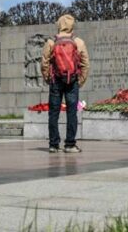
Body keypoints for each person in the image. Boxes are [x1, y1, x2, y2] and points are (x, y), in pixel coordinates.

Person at [41, 14, 90, 154]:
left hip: (56, 81)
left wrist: (47, 78)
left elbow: (44, 62)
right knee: (71, 113)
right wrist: (80, 81)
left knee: (53, 113)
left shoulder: (51, 41)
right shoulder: (78, 42)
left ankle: (53, 145)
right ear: (72, 25)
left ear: (59, 24)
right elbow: (86, 63)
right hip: (72, 81)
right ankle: (69, 144)